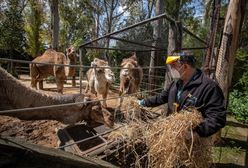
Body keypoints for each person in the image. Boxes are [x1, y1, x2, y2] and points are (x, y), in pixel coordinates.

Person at [138, 52, 226, 137]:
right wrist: (142, 102)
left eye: (173, 66)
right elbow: (162, 98)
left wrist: (195, 133)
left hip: (191, 142)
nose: (171, 69)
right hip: (170, 134)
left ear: (185, 66)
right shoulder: (175, 83)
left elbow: (217, 118)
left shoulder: (209, 87)